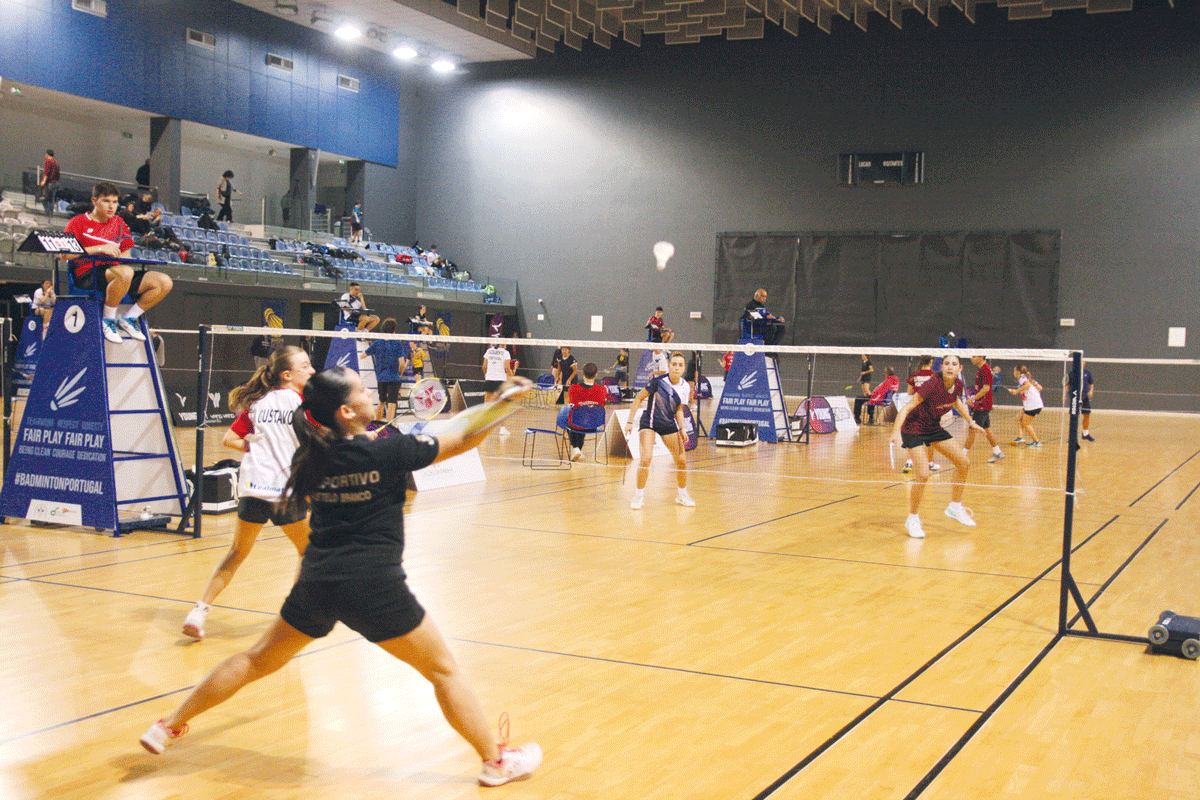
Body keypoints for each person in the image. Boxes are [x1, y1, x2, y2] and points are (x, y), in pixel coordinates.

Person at [141, 368, 543, 788]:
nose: (371, 394)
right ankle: (496, 762)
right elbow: (464, 438)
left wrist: (496, 404)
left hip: (317, 581)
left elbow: (448, 435)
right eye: (363, 390)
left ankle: (167, 726)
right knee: (444, 672)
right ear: (347, 411)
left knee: (256, 660)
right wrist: (504, 404)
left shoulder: (308, 457)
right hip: (375, 587)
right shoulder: (389, 452)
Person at [182, 346, 316, 640]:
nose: (312, 370)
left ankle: (198, 612)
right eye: (305, 366)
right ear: (287, 374)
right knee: (308, 552)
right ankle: (293, 617)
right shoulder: (303, 404)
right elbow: (326, 436)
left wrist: (257, 445)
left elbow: (230, 439)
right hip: (283, 493)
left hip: (253, 488)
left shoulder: (257, 404)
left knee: (237, 552)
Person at [63, 182, 174, 345]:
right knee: (125, 273)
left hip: (118, 274)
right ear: (94, 201)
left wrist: (120, 257)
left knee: (164, 282)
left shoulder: (119, 223)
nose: (111, 206)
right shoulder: (78, 222)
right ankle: (108, 320)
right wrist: (100, 248)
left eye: (115, 202)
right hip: (88, 275)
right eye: (106, 201)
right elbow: (65, 255)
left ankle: (128, 318)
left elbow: (125, 253)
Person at [890, 353, 982, 539]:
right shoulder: (932, 384)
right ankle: (912, 518)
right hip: (913, 428)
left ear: (960, 368)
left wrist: (971, 422)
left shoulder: (958, 385)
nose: (950, 367)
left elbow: (956, 401)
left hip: (933, 428)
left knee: (963, 463)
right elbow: (907, 407)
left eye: (954, 364)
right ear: (941, 367)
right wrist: (895, 432)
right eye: (946, 363)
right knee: (923, 474)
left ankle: (955, 506)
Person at [625, 352, 694, 509]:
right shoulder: (658, 382)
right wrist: (629, 421)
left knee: (682, 460)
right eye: (674, 364)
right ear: (669, 366)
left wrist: (682, 428)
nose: (677, 368)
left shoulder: (685, 387)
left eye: (680, 365)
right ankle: (638, 496)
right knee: (646, 459)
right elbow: (638, 398)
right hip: (649, 422)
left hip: (667, 423)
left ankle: (682, 495)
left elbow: (679, 409)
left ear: (684, 368)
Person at [901, 355, 940, 474]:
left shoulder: (914, 375)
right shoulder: (934, 376)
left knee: (913, 435)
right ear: (931, 362)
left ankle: (909, 462)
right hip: (930, 410)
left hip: (916, 408)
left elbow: (909, 392)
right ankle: (930, 463)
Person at [365, 319, 409, 422]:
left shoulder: (377, 343)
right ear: (394, 330)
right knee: (392, 403)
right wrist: (401, 372)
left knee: (381, 402)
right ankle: (389, 426)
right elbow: (402, 363)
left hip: (381, 378)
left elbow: (363, 355)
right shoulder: (397, 344)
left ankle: (377, 424)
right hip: (393, 377)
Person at [964, 355, 1005, 463]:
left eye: (974, 356)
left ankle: (962, 455)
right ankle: (998, 452)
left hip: (983, 405)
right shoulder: (982, 369)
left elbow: (986, 388)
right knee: (987, 429)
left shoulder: (985, 370)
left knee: (972, 430)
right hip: (983, 404)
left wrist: (973, 399)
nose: (971, 358)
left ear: (981, 357)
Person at [566, 362, 607, 461]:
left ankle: (576, 448)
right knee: (583, 417)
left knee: (571, 419)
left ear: (583, 374)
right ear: (596, 375)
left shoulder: (573, 389)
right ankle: (577, 449)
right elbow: (602, 404)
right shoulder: (602, 390)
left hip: (577, 424)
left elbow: (571, 404)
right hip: (593, 424)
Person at [482, 337, 514, 436]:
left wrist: (487, 375)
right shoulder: (506, 353)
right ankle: (502, 429)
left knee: (486, 404)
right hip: (500, 381)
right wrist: (512, 376)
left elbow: (484, 366)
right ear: (503, 343)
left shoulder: (489, 351)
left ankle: (482, 427)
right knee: (503, 405)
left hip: (489, 379)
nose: (506, 345)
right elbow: (507, 368)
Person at [1008, 364, 1044, 447]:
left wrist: (1017, 391)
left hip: (1032, 405)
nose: (1013, 373)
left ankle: (1037, 441)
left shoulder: (1022, 378)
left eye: (1014, 371)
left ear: (1018, 371)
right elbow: (1040, 387)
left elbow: (1027, 385)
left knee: (1025, 423)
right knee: (1018, 418)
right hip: (1031, 403)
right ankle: (1020, 438)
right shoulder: (1029, 378)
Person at [854, 354, 875, 425]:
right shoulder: (863, 362)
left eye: (863, 356)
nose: (862, 357)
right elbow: (862, 371)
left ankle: (871, 400)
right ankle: (866, 401)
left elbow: (871, 370)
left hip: (867, 378)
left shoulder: (869, 362)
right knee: (864, 391)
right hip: (863, 378)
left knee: (867, 390)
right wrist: (860, 377)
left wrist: (865, 373)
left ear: (866, 356)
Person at [39, 148, 60, 216]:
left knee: (43, 198)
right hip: (55, 183)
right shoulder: (56, 163)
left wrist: (43, 183)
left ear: (47, 154)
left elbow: (46, 173)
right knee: (52, 200)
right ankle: (51, 214)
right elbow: (58, 174)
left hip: (49, 183)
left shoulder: (48, 162)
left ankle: (47, 212)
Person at [1080, 360, 1096, 442]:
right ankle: (1072, 436)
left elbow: (1091, 383)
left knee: (1086, 415)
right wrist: (1065, 394)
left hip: (1085, 397)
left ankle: (1085, 434)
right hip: (1075, 397)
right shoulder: (1072, 373)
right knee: (1074, 416)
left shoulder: (1087, 372)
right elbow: (1067, 384)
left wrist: (1091, 391)